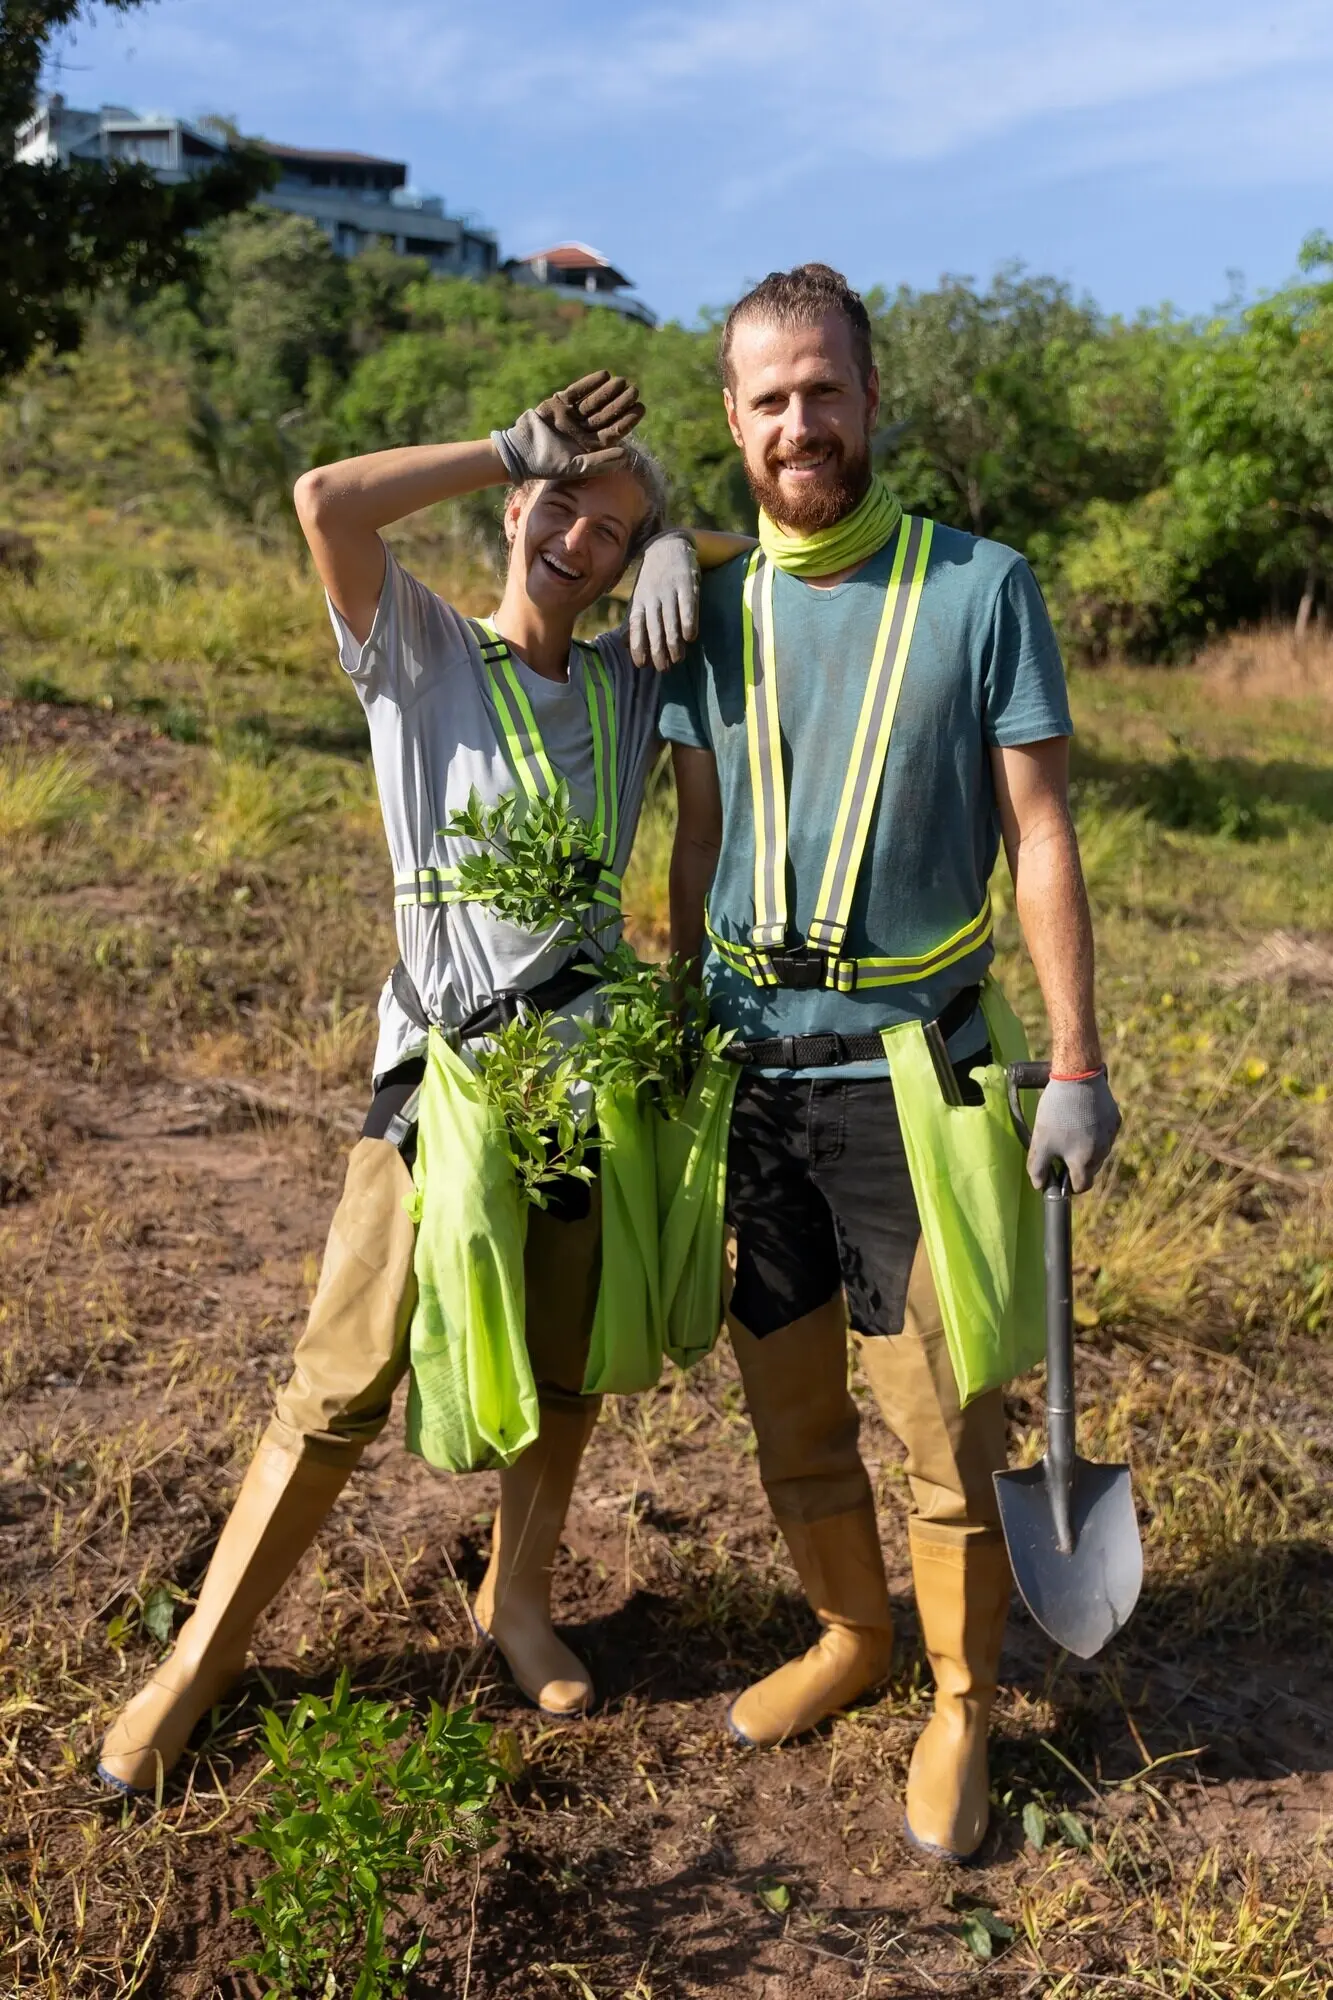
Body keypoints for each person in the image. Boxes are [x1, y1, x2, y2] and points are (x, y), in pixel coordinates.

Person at [98, 372, 735, 1796]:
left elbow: (798, 552)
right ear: (514, 506)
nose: (581, 537)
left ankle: (517, 1601)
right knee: (340, 1378)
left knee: (564, 1364)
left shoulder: (643, 675)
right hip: (440, 1067)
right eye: (560, 502)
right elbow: (326, 500)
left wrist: (693, 543)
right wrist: (508, 441)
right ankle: (197, 1663)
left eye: (615, 532)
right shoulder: (424, 653)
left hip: (590, 1078)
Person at [655, 266, 1120, 1862]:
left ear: (874, 399)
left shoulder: (984, 588)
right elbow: (695, 832)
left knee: (941, 1415)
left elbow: (1042, 833)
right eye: (769, 398)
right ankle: (851, 1633)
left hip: (915, 1077)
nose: (801, 423)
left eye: (826, 391)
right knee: (784, 1395)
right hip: (746, 1075)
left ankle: (959, 1698)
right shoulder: (705, 606)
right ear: (733, 420)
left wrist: (1077, 1061)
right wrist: (663, 537)